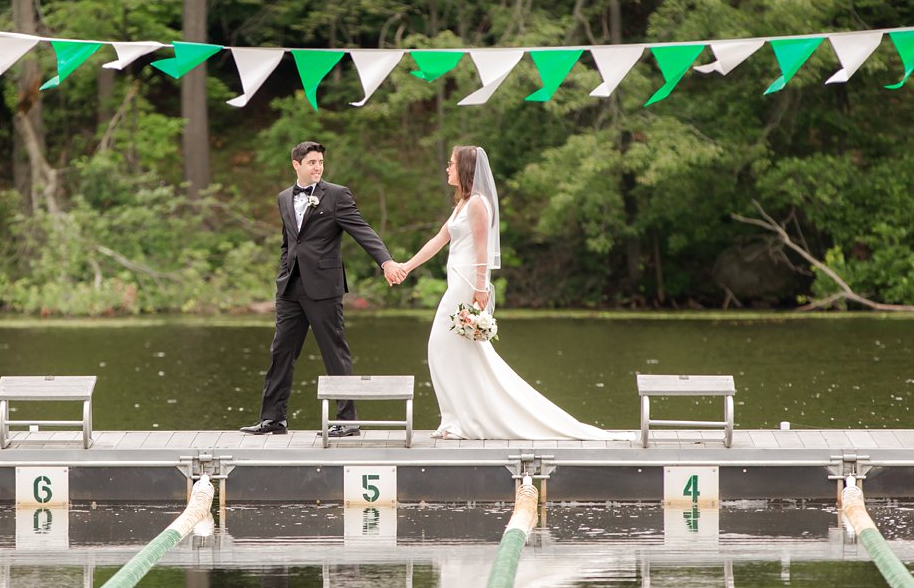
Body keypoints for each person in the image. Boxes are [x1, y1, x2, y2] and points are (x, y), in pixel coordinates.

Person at [388, 145, 628, 440]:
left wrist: (480, 287)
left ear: (464, 169)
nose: (447, 169)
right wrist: (406, 267)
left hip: (467, 283)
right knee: (453, 351)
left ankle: (464, 420)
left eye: (451, 164)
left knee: (442, 345)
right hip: (457, 280)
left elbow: (482, 249)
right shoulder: (462, 203)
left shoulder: (478, 203)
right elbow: (439, 239)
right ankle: (455, 419)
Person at [241, 140, 406, 437]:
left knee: (334, 351)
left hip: (324, 287)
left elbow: (362, 230)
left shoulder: (337, 195)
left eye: (320, 163)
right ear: (296, 165)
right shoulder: (283, 198)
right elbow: (288, 242)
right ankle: (273, 419)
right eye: (312, 163)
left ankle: (348, 420)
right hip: (291, 287)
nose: (318, 167)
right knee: (281, 351)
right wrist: (283, 273)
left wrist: (386, 262)